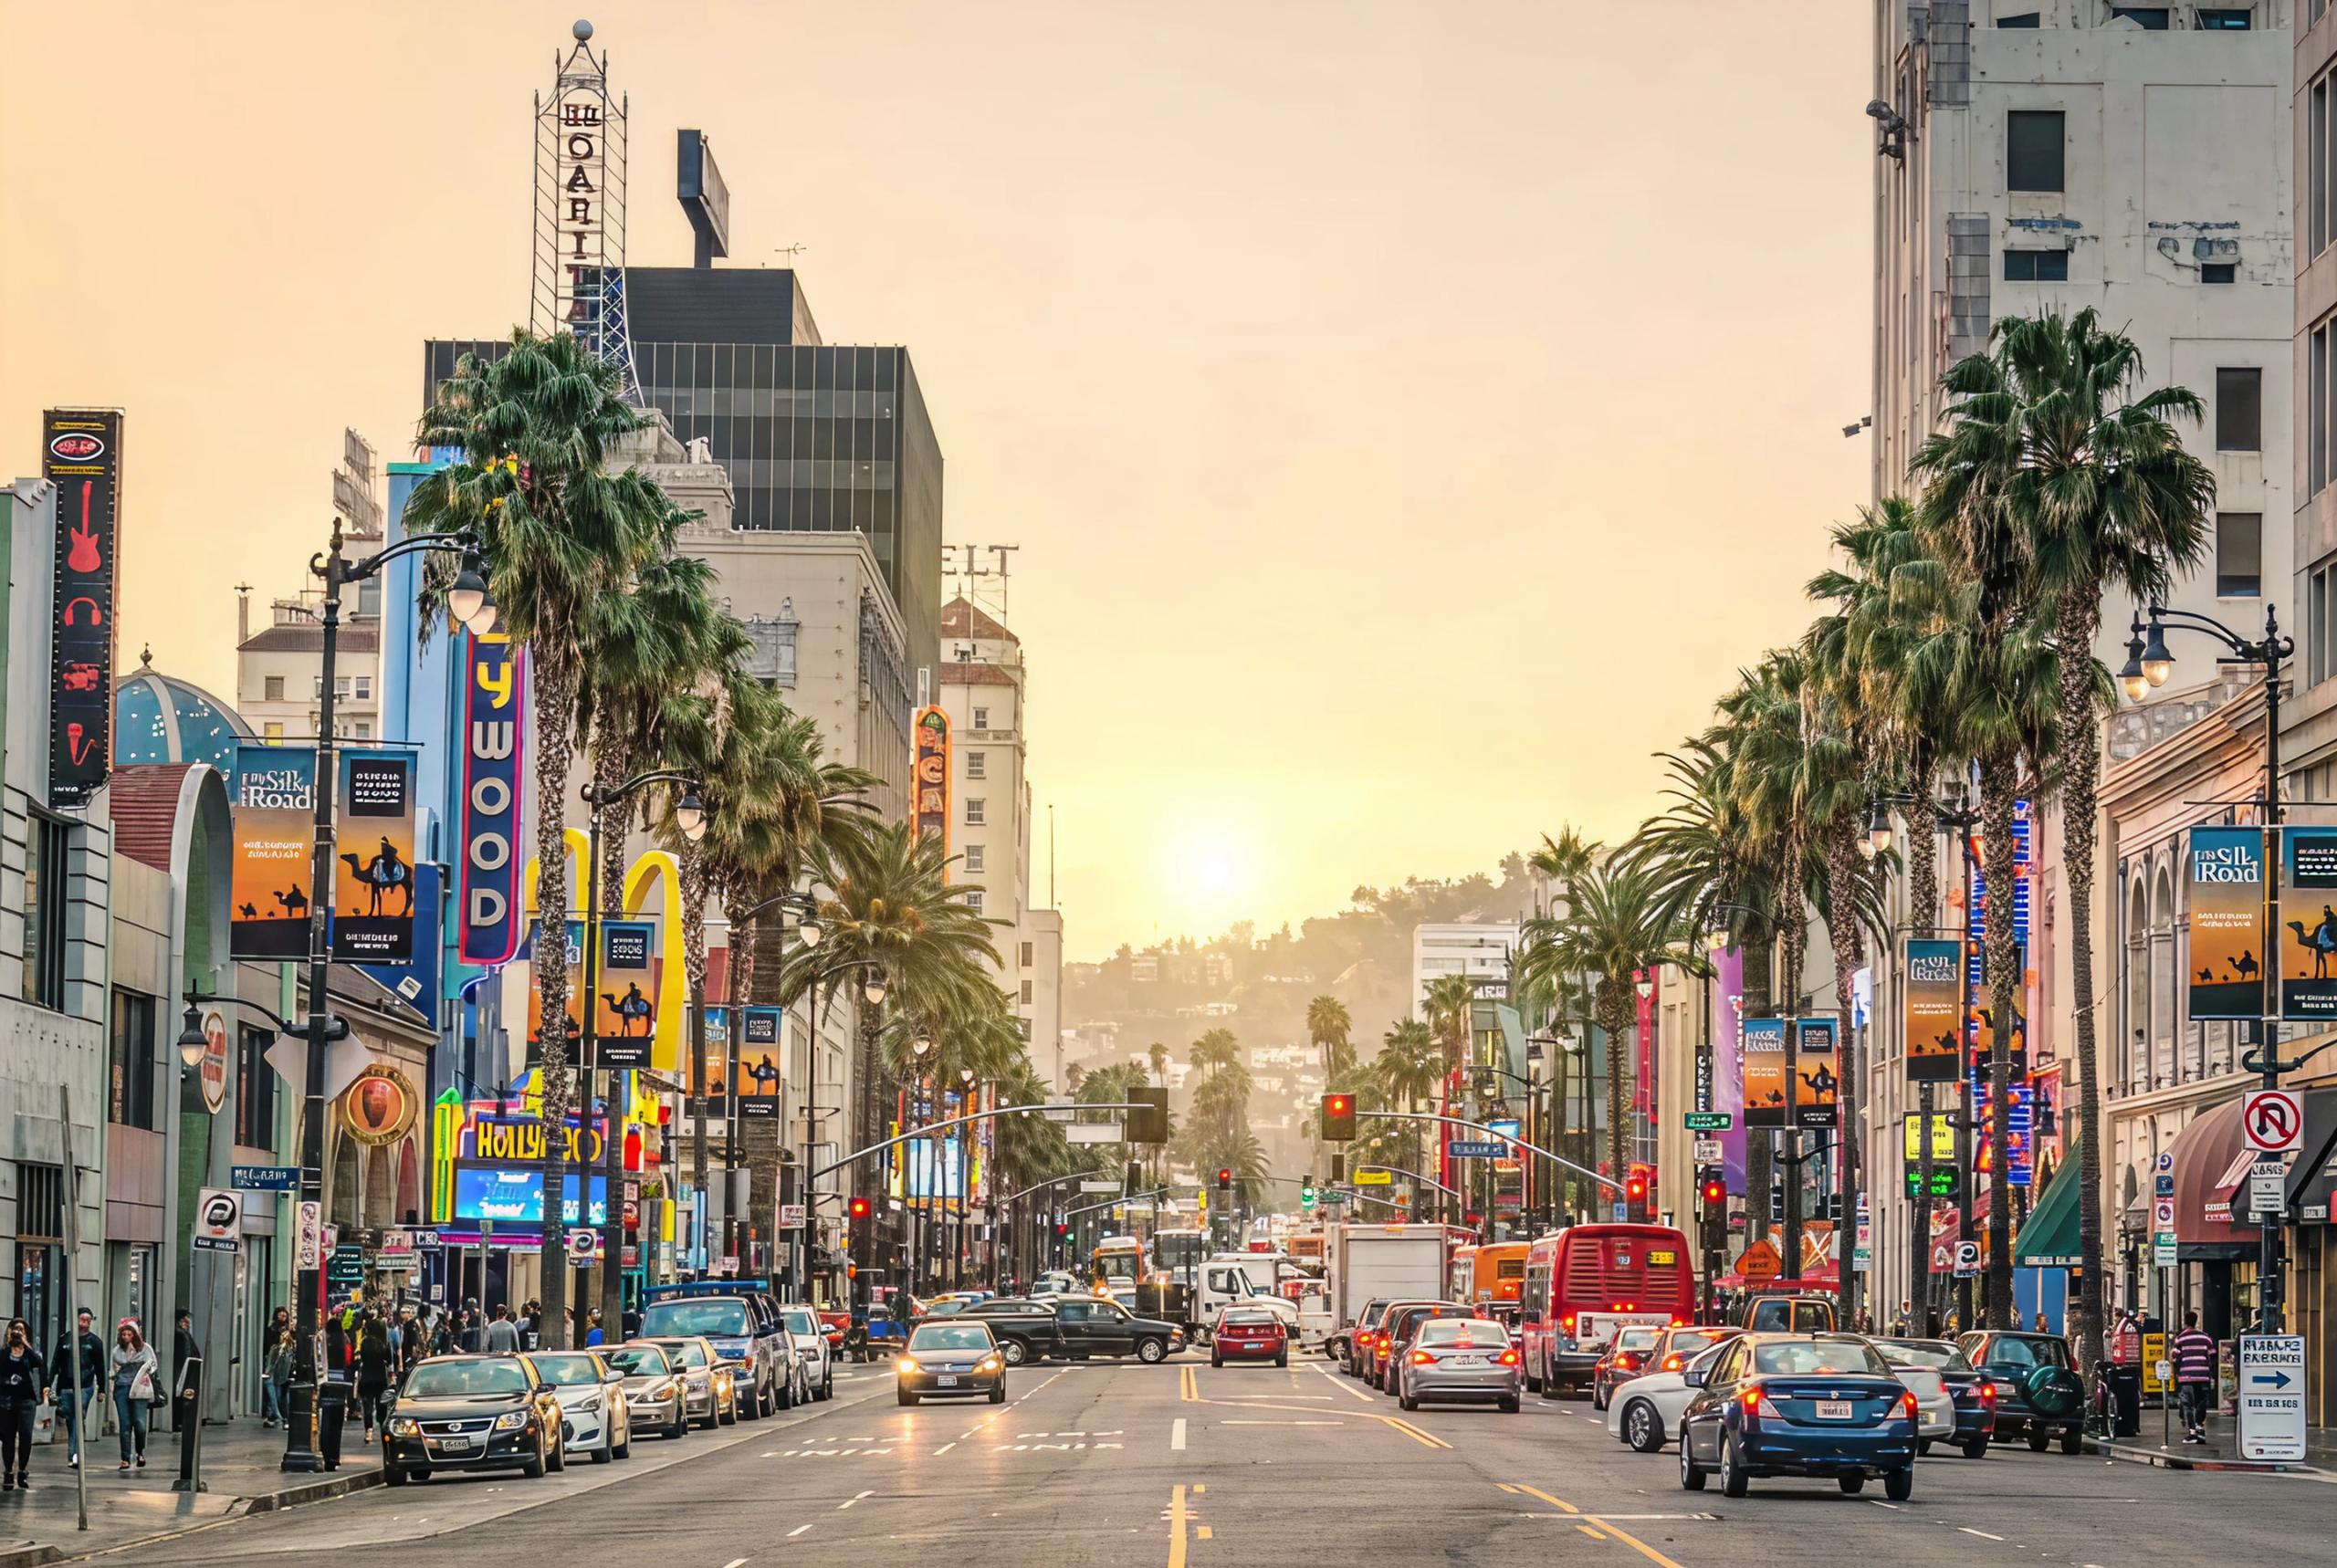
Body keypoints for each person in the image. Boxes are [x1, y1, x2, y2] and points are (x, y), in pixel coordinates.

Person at [48, 1307, 101, 1469]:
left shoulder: (94, 1342)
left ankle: (75, 1455)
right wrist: (48, 1384)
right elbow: (56, 1362)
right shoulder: (66, 1339)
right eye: (82, 1319)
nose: (85, 1322)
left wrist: (103, 1389)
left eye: (88, 1320)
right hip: (66, 1386)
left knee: (78, 1417)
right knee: (72, 1420)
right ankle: (75, 1453)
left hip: (85, 1386)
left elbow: (100, 1365)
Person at [0, 1319, 41, 1490]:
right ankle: (8, 1472)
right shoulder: (3, 1353)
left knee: (25, 1435)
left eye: (21, 1330)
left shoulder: (29, 1354)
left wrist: (26, 1345)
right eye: (15, 1329)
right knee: (8, 1438)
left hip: (26, 1401)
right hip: (6, 1401)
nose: (17, 1332)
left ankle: (22, 1471)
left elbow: (39, 1363)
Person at [110, 1321, 157, 1470]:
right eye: (124, 1334)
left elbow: (153, 1365)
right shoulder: (116, 1351)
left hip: (139, 1387)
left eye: (129, 1334)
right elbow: (112, 1370)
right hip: (122, 1386)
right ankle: (125, 1458)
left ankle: (140, 1452)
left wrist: (146, 1371)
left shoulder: (144, 1349)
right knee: (125, 1423)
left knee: (140, 1423)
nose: (126, 1337)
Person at [2172, 1311, 2216, 1445]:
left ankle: (2192, 1432)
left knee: (2187, 1404)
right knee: (2201, 1402)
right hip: (2203, 1375)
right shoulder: (2205, 1338)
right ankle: (2200, 1428)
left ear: (2185, 1321)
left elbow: (2176, 1358)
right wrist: (2211, 1373)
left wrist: (2177, 1374)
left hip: (2187, 1376)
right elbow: (2213, 1356)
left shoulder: (2181, 1338)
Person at [354, 1314, 392, 1443]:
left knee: (368, 1407)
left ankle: (368, 1431)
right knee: (381, 1405)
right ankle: (382, 1429)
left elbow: (362, 1358)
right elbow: (390, 1359)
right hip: (380, 1378)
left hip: (367, 1378)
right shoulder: (384, 1343)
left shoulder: (365, 1343)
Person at [170, 1311, 198, 1434]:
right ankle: (178, 1421)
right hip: (184, 1369)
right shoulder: (182, 1335)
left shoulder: (181, 1334)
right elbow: (188, 1353)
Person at [264, 1327, 294, 1429]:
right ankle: (276, 1416)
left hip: (287, 1377)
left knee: (285, 1398)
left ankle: (282, 1417)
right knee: (277, 1397)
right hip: (277, 1376)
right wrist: (268, 1372)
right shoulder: (275, 1348)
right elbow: (271, 1361)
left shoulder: (292, 1349)